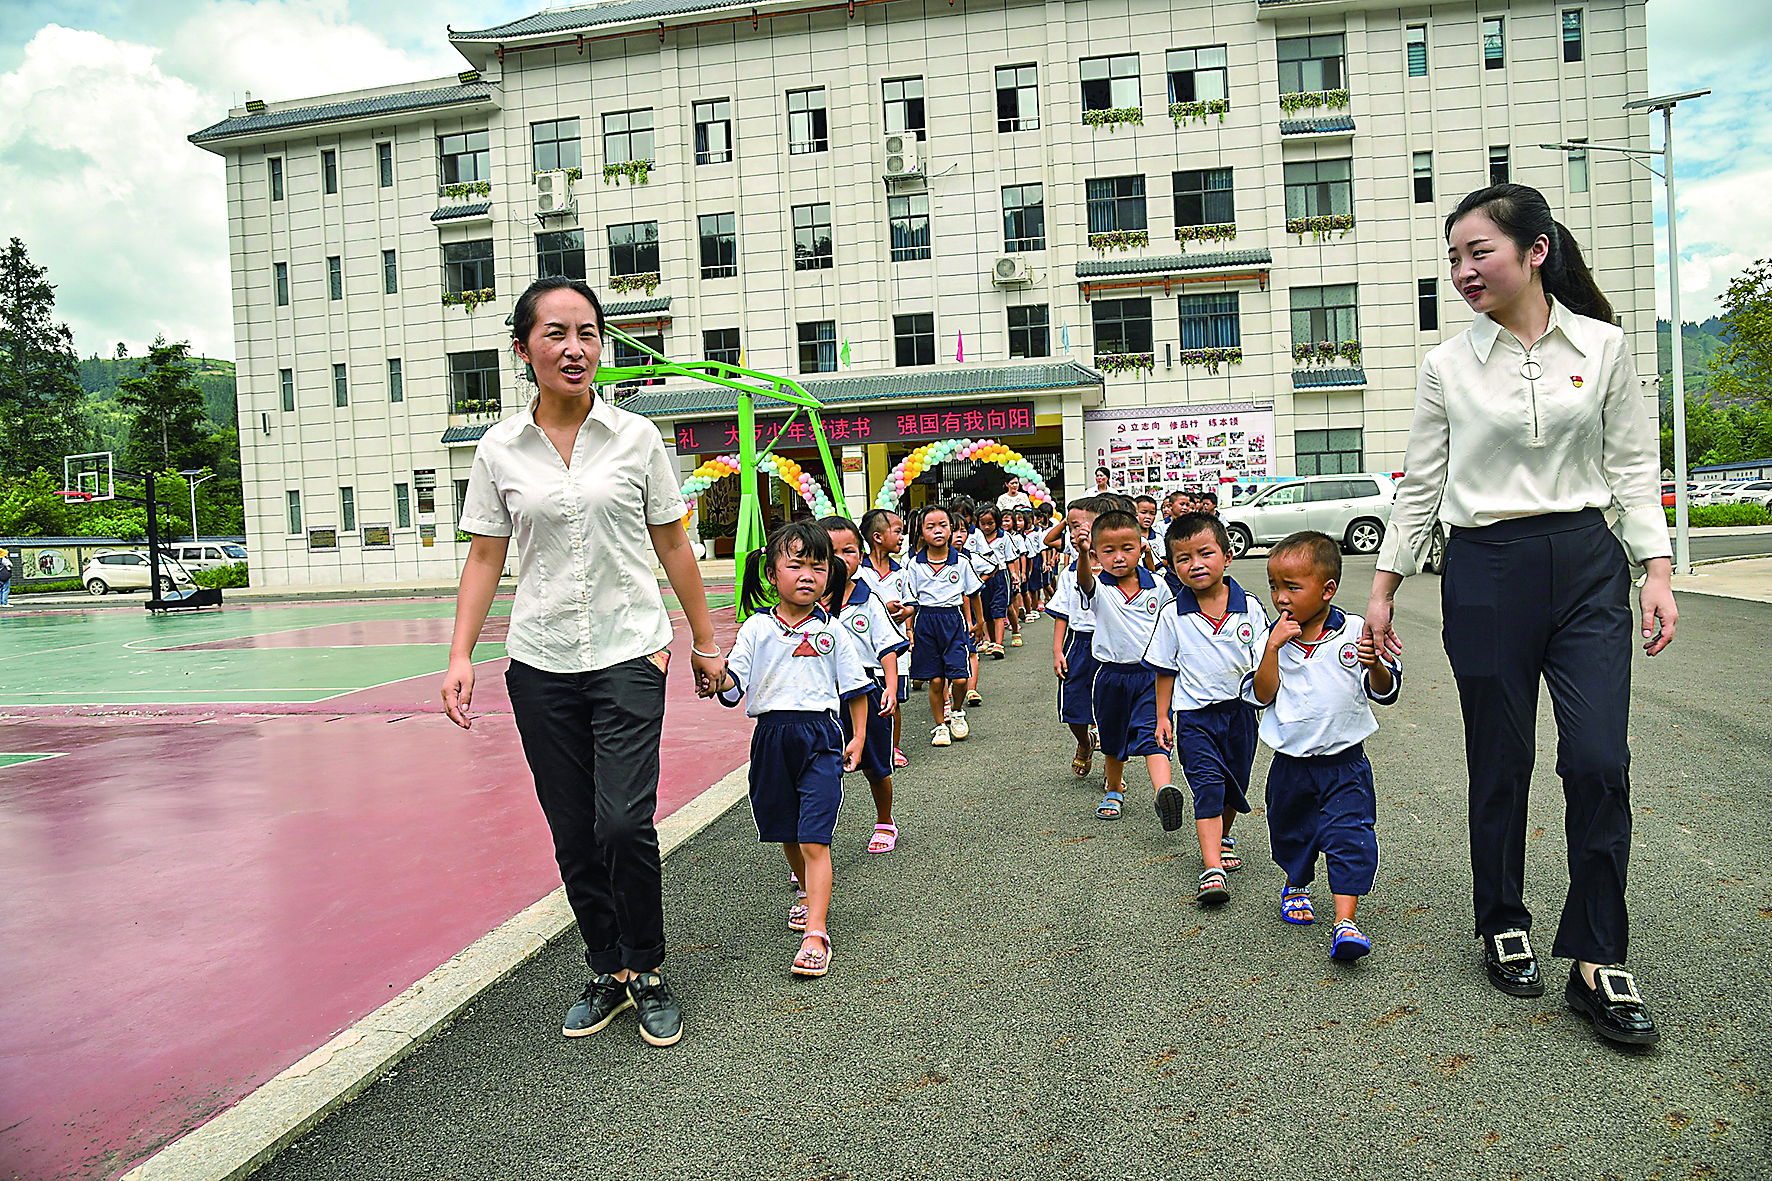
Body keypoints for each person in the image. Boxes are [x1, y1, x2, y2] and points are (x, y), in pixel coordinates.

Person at [1365, 183, 1676, 1046]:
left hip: (1585, 566)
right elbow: (1420, 484)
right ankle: (1502, 913)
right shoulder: (1447, 366)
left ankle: (1597, 954)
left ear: (1536, 250)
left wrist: (1654, 567)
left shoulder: (1605, 348)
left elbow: (1632, 465)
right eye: (1454, 257)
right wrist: (1384, 590)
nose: (1464, 270)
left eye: (1480, 253)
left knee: (1598, 758)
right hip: (1486, 568)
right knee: (1501, 757)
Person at [444, 276, 724, 1046]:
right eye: (557, 333)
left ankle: (649, 965)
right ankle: (607, 964)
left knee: (623, 820)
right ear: (522, 347)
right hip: (539, 661)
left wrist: (703, 641)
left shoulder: (636, 438)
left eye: (588, 333)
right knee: (572, 828)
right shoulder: (498, 448)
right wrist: (461, 652)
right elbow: (484, 557)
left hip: (631, 649)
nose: (575, 348)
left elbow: (673, 543)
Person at [706, 521, 870, 977]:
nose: (807, 575)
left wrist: (857, 736)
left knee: (815, 836)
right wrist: (716, 677)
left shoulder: (834, 631)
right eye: (795, 565)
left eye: (818, 567)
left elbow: (855, 688)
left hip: (820, 737)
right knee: (786, 829)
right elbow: (733, 682)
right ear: (772, 573)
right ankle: (802, 886)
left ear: (829, 575)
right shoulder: (757, 628)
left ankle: (816, 931)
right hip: (771, 740)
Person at [1246, 532, 1400, 961]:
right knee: (1292, 830)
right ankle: (1296, 882)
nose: (1280, 598)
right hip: (1290, 765)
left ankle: (1345, 920)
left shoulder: (1355, 630)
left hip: (1345, 763)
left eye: (1292, 587)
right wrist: (1273, 649)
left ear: (1327, 589)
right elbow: (1261, 695)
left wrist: (1377, 667)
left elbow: (1384, 690)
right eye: (1274, 586)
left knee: (1350, 834)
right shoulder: (1269, 637)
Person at [1147, 513, 1267, 905]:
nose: (1195, 564)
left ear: (1227, 556)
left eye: (1205, 554)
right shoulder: (1172, 614)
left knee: (1237, 785)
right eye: (1183, 559)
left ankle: (1224, 834)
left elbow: (1267, 663)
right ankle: (1212, 868)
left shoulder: (1249, 608)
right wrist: (1163, 717)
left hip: (1240, 714)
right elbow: (1165, 670)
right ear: (1172, 565)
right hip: (1195, 718)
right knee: (1208, 786)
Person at [1075, 508, 1177, 821]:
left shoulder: (1157, 586)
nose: (1119, 557)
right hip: (1111, 676)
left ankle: (1165, 792)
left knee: (1153, 734)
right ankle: (1114, 789)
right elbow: (1085, 582)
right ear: (1096, 555)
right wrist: (1080, 555)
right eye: (1109, 551)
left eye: (1127, 548)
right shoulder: (1098, 587)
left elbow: (1171, 625)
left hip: (1150, 676)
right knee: (1112, 734)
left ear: (1141, 545)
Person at [820, 516, 910, 854]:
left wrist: (889, 687)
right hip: (823, 697)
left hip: (867, 692)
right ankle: (815, 841)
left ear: (862, 554)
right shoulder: (809, 603)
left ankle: (885, 820)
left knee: (875, 766)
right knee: (821, 770)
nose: (841, 558)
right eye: (831, 551)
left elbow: (886, 647)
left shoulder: (868, 600)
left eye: (849, 550)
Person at [904, 503, 983, 746]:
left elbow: (974, 594)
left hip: (953, 621)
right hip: (926, 622)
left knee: (959, 678)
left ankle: (957, 712)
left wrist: (979, 622)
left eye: (942, 525)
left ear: (951, 529)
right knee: (936, 680)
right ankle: (940, 726)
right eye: (930, 527)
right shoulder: (914, 565)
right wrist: (909, 630)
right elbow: (910, 602)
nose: (937, 531)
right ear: (921, 532)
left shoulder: (960, 562)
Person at [1047, 498, 1103, 778]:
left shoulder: (1118, 568)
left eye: (1082, 525)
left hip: (1112, 647)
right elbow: (1062, 614)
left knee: (1112, 708)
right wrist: (1058, 650)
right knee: (1074, 705)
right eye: (1071, 527)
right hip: (1079, 644)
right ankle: (1084, 742)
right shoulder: (1069, 574)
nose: (1076, 532)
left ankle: (1114, 771)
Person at [858, 508, 912, 768]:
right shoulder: (859, 571)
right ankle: (864, 744)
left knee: (895, 701)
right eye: (897, 531)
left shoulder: (901, 570)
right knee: (864, 700)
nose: (902, 537)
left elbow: (913, 602)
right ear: (878, 537)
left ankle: (893, 747)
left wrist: (907, 611)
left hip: (895, 651)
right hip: (865, 653)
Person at [975, 507, 1012, 658]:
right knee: (986, 611)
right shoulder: (976, 537)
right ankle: (990, 640)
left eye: (990, 523)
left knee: (999, 609)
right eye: (982, 523)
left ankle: (999, 643)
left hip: (1000, 575)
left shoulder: (1005, 537)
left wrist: (1016, 574)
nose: (986, 527)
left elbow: (1011, 559)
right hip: (982, 577)